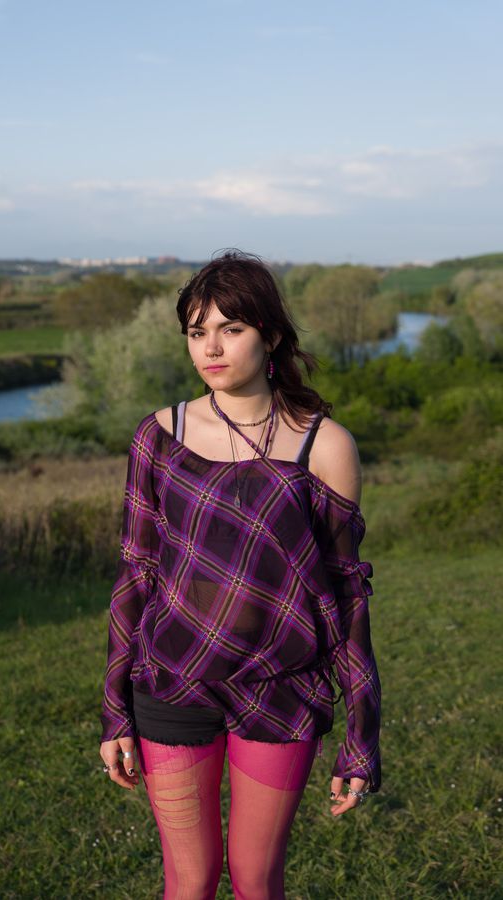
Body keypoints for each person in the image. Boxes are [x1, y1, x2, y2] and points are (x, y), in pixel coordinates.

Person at [99, 250, 381, 899]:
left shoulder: (324, 445)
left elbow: (346, 596)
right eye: (197, 331)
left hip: (282, 688)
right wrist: (115, 708)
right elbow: (137, 572)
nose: (211, 348)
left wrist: (362, 733)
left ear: (271, 335)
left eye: (231, 328)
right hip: (173, 683)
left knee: (256, 880)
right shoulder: (159, 435)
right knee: (189, 880)